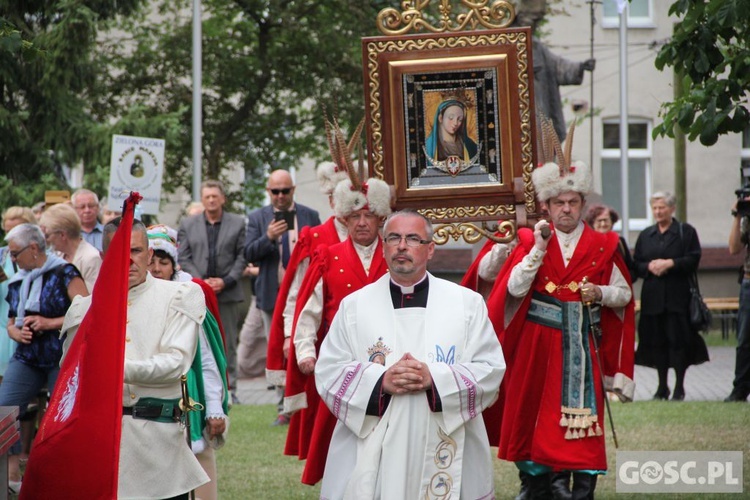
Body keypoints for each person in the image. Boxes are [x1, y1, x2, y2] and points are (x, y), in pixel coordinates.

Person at [486, 120, 635, 499]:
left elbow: (624, 295)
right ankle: (536, 483)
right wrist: (537, 247)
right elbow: (515, 287)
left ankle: (579, 486)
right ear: (546, 205)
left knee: (582, 417)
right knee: (532, 410)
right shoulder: (529, 239)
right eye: (558, 203)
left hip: (581, 342)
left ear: (583, 204)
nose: (565, 209)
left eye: (572, 203)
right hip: (537, 341)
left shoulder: (604, 244)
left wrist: (598, 292)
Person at [315, 209, 506, 499]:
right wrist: (380, 382)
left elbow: (491, 369)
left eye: (413, 239)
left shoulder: (466, 304)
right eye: (394, 237)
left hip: (445, 441)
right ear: (383, 246)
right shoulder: (354, 306)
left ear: (430, 249)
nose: (402, 246)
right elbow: (329, 370)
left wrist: (436, 378)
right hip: (376, 444)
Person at [61, 217, 209, 498]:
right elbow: (71, 377)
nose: (128, 260)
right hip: (101, 449)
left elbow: (175, 363)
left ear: (150, 254)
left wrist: (112, 368)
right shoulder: (84, 308)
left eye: (136, 251)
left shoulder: (179, 295)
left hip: (159, 452)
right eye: (119, 253)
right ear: (104, 257)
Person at [288, 170, 391, 485]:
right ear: (344, 219)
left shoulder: (396, 256)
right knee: (343, 436)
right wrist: (305, 351)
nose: (362, 222)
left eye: (369, 215)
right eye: (355, 215)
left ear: (381, 219)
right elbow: (309, 311)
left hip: (390, 358)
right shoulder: (327, 256)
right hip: (343, 362)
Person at [0, 223, 88, 494]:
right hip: (27, 357)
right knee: (4, 409)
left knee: (63, 415)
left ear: (34, 248)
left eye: (15, 254)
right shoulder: (18, 279)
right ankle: (10, 476)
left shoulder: (64, 272)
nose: (12, 260)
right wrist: (15, 333)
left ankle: (65, 478)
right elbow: (12, 321)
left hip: (60, 356)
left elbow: (86, 309)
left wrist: (49, 323)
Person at [147, 225, 229, 500]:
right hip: (153, 396)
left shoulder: (190, 295)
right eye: (152, 262)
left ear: (173, 264)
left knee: (200, 456)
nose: (157, 268)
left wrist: (215, 407)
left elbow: (207, 356)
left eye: (163, 261)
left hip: (189, 391)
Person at [244, 169, 321, 424]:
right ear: (268, 192)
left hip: (304, 295)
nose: (279, 196)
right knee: (278, 350)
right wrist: (269, 237)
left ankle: (308, 400)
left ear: (293, 190)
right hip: (272, 296)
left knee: (305, 345)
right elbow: (248, 253)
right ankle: (283, 407)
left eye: (284, 191)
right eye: (275, 191)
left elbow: (321, 251)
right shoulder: (257, 218)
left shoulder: (310, 215)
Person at [633, 191, 709, 401]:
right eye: (655, 208)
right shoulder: (646, 235)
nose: (658, 212)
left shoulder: (686, 232)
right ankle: (661, 386)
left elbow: (694, 259)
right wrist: (649, 266)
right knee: (656, 342)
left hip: (678, 298)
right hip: (653, 299)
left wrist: (670, 263)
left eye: (662, 207)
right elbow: (636, 264)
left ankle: (679, 387)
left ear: (672, 208)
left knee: (678, 342)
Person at [178, 180, 247, 403]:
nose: (210, 200)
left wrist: (225, 281)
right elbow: (184, 257)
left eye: (214, 196)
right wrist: (201, 281)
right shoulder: (188, 224)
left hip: (227, 292)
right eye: (206, 196)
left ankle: (231, 389)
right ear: (202, 198)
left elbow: (242, 256)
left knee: (227, 341)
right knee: (195, 339)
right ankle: (200, 388)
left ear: (222, 199)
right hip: (196, 292)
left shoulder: (237, 224)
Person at [514, 1, 595, 140]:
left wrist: (580, 67)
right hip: (516, 109)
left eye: (538, 20)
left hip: (539, 108)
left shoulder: (537, 47)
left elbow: (557, 66)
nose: (535, 24)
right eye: (533, 19)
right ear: (521, 17)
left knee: (542, 141)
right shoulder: (507, 43)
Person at [0, 207, 37, 378]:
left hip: (29, 329)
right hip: (3, 329)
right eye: (7, 232)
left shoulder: (43, 256)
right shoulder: (2, 256)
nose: (10, 239)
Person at [39, 202, 102, 292]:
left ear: (62, 235)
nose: (46, 241)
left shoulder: (91, 258)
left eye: (47, 235)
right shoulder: (59, 254)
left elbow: (91, 298)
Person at [726, 197, 750, 402]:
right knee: (744, 340)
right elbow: (734, 249)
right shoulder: (747, 218)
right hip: (749, 282)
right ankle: (740, 389)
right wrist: (738, 216)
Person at [584, 203, 636, 281]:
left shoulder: (620, 241)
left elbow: (631, 267)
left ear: (612, 222)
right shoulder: (587, 243)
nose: (603, 224)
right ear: (592, 223)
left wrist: (625, 280)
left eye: (606, 220)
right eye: (599, 221)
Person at [424, 99, 479, 171]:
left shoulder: (471, 146)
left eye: (460, 119)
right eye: (451, 118)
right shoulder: (428, 146)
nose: (455, 123)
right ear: (440, 118)